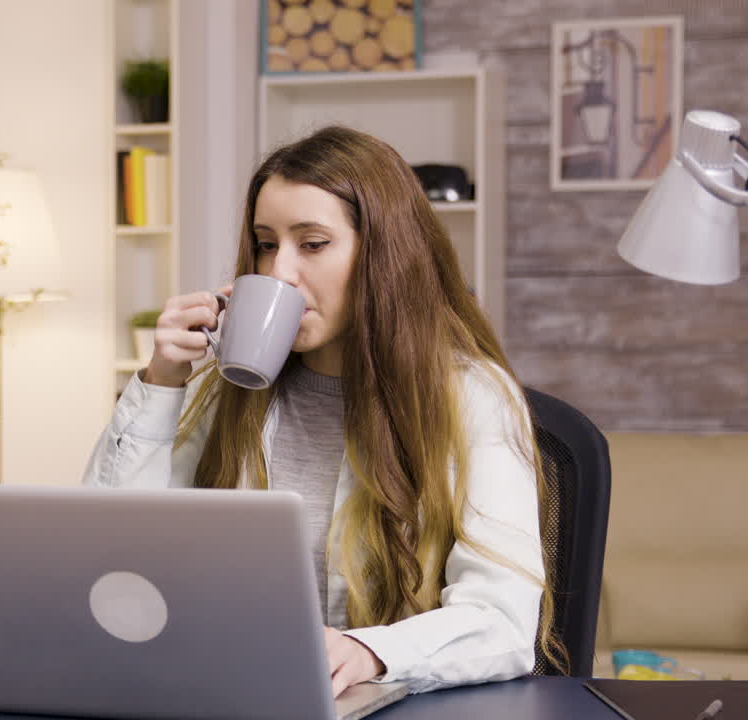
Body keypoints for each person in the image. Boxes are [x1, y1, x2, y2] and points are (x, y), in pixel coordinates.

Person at [83, 125, 563, 697]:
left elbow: (502, 621)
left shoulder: (471, 396)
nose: (279, 271)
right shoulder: (222, 389)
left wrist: (370, 651)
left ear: (384, 255)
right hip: (226, 694)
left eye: (311, 244)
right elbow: (111, 556)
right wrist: (160, 383)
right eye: (266, 243)